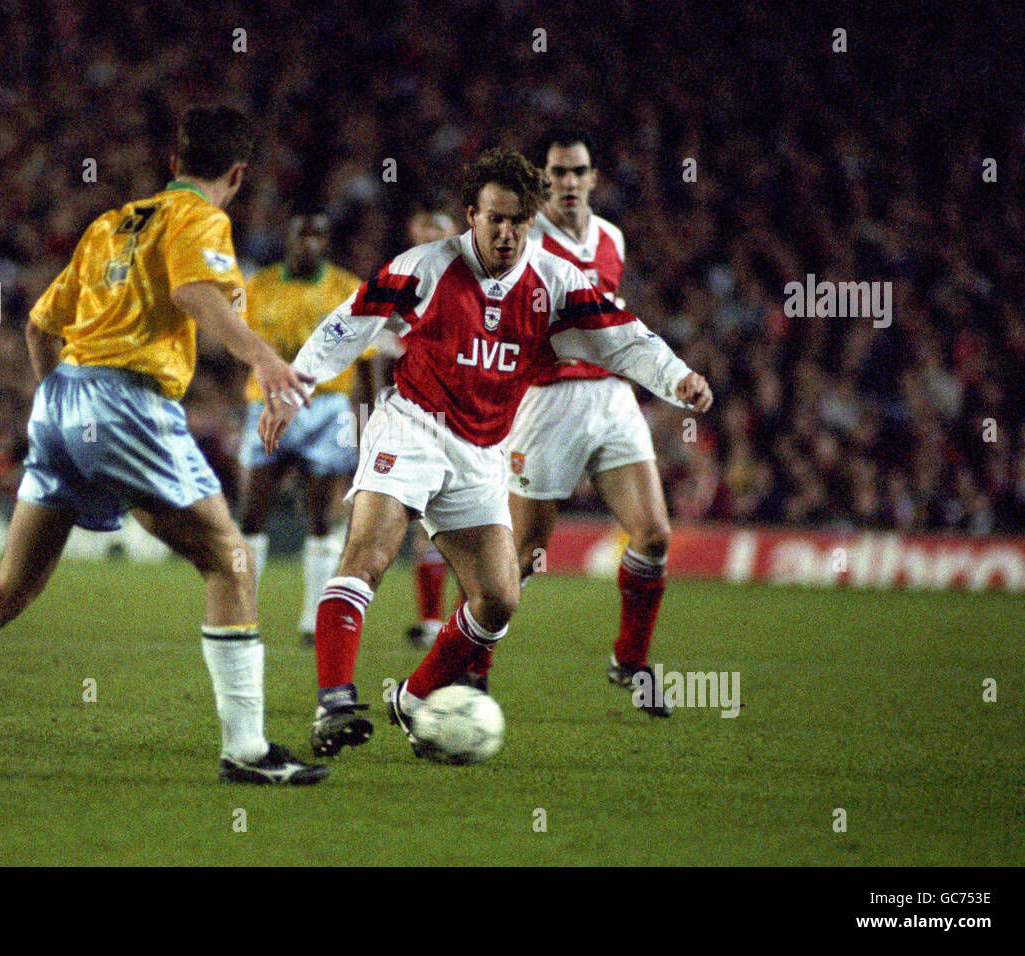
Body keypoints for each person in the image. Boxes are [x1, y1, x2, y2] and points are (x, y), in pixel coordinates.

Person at [0, 106, 329, 785]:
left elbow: (40, 327)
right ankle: (247, 751)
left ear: (173, 163)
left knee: (11, 586)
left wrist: (64, 412)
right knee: (230, 562)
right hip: (127, 400)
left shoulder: (111, 224)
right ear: (238, 174)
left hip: (61, 398)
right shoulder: (200, 218)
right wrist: (264, 358)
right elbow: (195, 291)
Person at [258, 147, 712, 758]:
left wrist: (678, 377)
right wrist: (295, 389)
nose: (505, 233)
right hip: (412, 427)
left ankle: (413, 699)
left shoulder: (555, 282)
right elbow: (351, 320)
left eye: (517, 221)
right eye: (494, 219)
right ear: (471, 215)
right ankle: (334, 704)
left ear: (531, 220)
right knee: (367, 555)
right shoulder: (425, 267)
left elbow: (624, 337)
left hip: (481, 450)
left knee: (498, 598)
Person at [492, 127, 680, 715]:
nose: (569, 182)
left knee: (654, 534)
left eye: (578, 171)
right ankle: (468, 667)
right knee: (523, 554)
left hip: (612, 397)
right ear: (542, 179)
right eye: (557, 172)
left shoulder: (611, 238)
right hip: (547, 402)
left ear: (594, 178)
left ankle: (631, 662)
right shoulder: (524, 240)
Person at [236, 211, 364, 645]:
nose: (310, 242)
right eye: (302, 233)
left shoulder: (347, 289)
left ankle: (314, 620)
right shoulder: (258, 286)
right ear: (287, 237)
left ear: (327, 241)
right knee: (252, 512)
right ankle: (242, 615)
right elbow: (239, 345)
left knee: (321, 516)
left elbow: (368, 360)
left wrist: (367, 419)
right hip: (267, 403)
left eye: (318, 234)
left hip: (327, 407)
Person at [401, 204, 461, 650]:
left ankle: (467, 624)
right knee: (425, 521)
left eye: (439, 227)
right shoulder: (399, 283)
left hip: (473, 416)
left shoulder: (472, 282)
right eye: (424, 225)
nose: (430, 233)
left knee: (472, 525)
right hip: (418, 415)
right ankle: (430, 622)